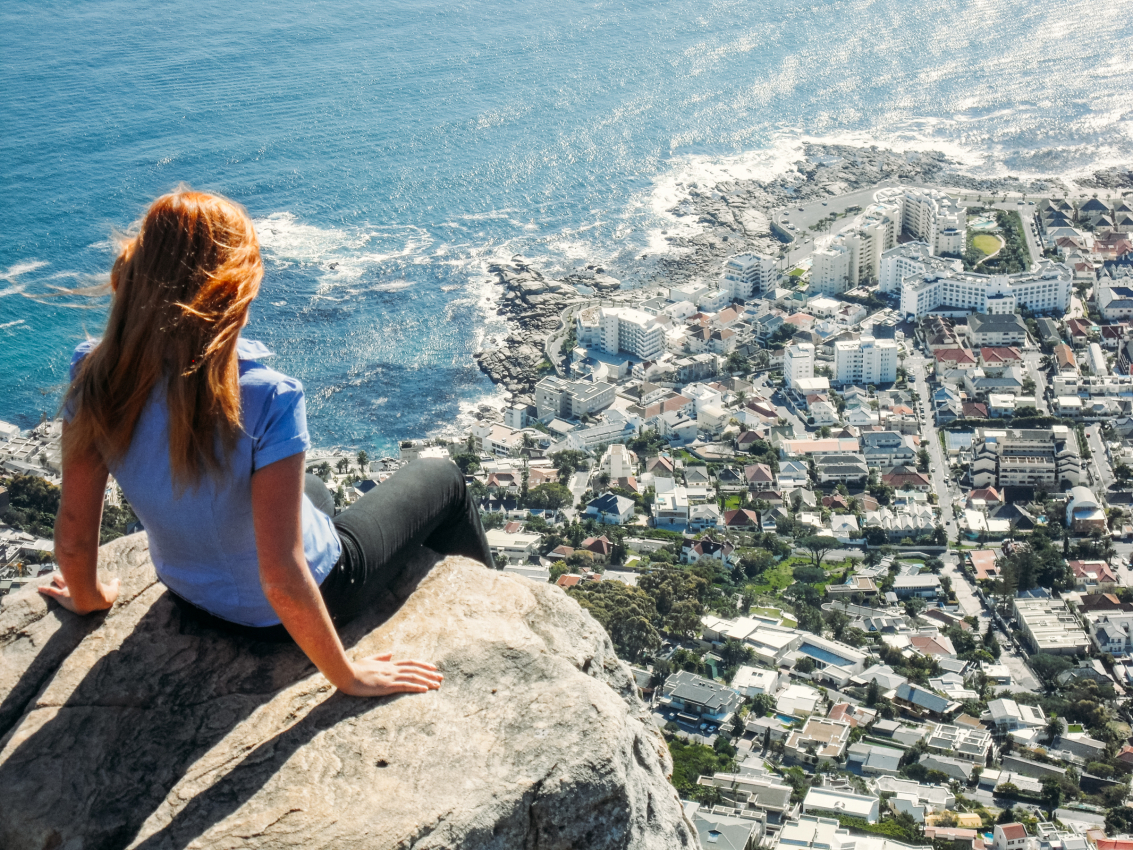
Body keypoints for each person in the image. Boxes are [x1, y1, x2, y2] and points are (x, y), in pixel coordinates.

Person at [38, 189, 495, 698]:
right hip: (288, 611)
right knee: (443, 477)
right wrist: (347, 676)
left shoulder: (96, 370)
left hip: (188, 594)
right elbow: (281, 575)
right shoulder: (268, 396)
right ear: (234, 291)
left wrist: (88, 597)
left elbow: (76, 529)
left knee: (314, 489)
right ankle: (497, 613)